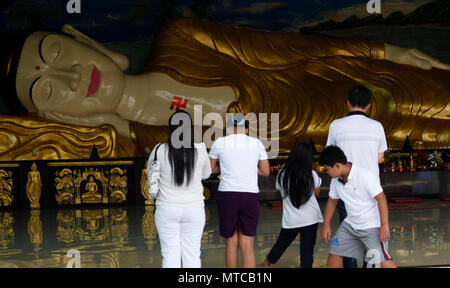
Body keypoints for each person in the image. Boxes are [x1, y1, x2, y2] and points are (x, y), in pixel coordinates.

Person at [1, 18, 450, 161]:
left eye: (60, 54)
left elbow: (291, 49)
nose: (74, 78)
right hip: (356, 160)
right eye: (48, 92)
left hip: (367, 88)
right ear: (60, 118)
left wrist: (382, 50)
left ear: (84, 40)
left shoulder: (180, 40)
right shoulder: (158, 150)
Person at [325, 85, 388, 268]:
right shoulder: (377, 126)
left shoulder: (336, 126)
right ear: (369, 106)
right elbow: (380, 157)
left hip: (346, 189)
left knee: (348, 236)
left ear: (347, 103)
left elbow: (331, 153)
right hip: (371, 190)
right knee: (372, 241)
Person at [150, 110, 211, 268]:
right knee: (192, 254)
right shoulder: (200, 149)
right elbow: (206, 175)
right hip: (194, 208)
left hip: (166, 208)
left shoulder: (159, 150)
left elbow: (151, 173)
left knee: (170, 254)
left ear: (170, 129)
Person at [319, 146, 397, 268]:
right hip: (350, 225)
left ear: (337, 165)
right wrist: (326, 224)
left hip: (372, 227)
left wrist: (384, 225)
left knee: (381, 261)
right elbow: (332, 201)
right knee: (335, 252)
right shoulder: (336, 180)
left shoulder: (364, 176)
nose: (326, 172)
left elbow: (381, 198)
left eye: (327, 169)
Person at [209, 113, 270, 268]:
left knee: (230, 242)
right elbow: (265, 171)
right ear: (247, 129)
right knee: (248, 243)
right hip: (250, 195)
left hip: (227, 195)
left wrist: (223, 168)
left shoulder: (220, 142)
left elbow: (210, 169)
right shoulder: (256, 143)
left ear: (229, 128)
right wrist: (248, 168)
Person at [262, 143, 323, 268]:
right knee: (307, 252)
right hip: (311, 219)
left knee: (281, 244)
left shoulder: (282, 175)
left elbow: (281, 192)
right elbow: (316, 193)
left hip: (291, 219)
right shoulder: (312, 175)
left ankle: (266, 264)